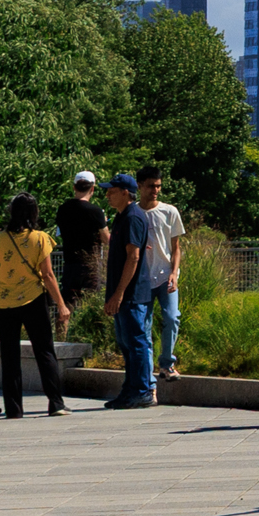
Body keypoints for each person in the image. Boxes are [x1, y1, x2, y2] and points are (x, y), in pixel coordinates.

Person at [0, 192, 71, 417]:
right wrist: (61, 305)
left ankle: (14, 408)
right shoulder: (40, 238)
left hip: (4, 302)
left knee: (9, 355)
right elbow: (49, 275)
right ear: (34, 213)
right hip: (34, 300)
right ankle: (55, 403)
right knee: (44, 351)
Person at [99, 173, 158, 408]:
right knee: (127, 343)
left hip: (132, 294)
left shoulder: (133, 217)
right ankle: (130, 389)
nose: (107, 195)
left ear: (125, 192)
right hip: (122, 292)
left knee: (136, 342)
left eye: (111, 191)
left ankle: (143, 390)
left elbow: (133, 257)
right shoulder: (121, 216)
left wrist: (119, 293)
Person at [135, 166, 187, 380]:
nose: (155, 190)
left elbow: (176, 247)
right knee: (143, 325)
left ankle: (167, 363)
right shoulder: (134, 213)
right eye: (150, 186)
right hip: (143, 279)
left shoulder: (169, 211)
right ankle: (148, 373)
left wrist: (174, 272)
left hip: (166, 275)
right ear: (140, 186)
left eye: (158, 186)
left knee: (172, 317)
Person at [53, 170, 107, 310]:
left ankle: (61, 332)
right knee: (91, 307)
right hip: (91, 266)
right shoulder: (96, 211)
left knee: (66, 306)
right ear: (92, 188)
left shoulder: (63, 209)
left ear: (74, 187)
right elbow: (107, 239)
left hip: (70, 264)